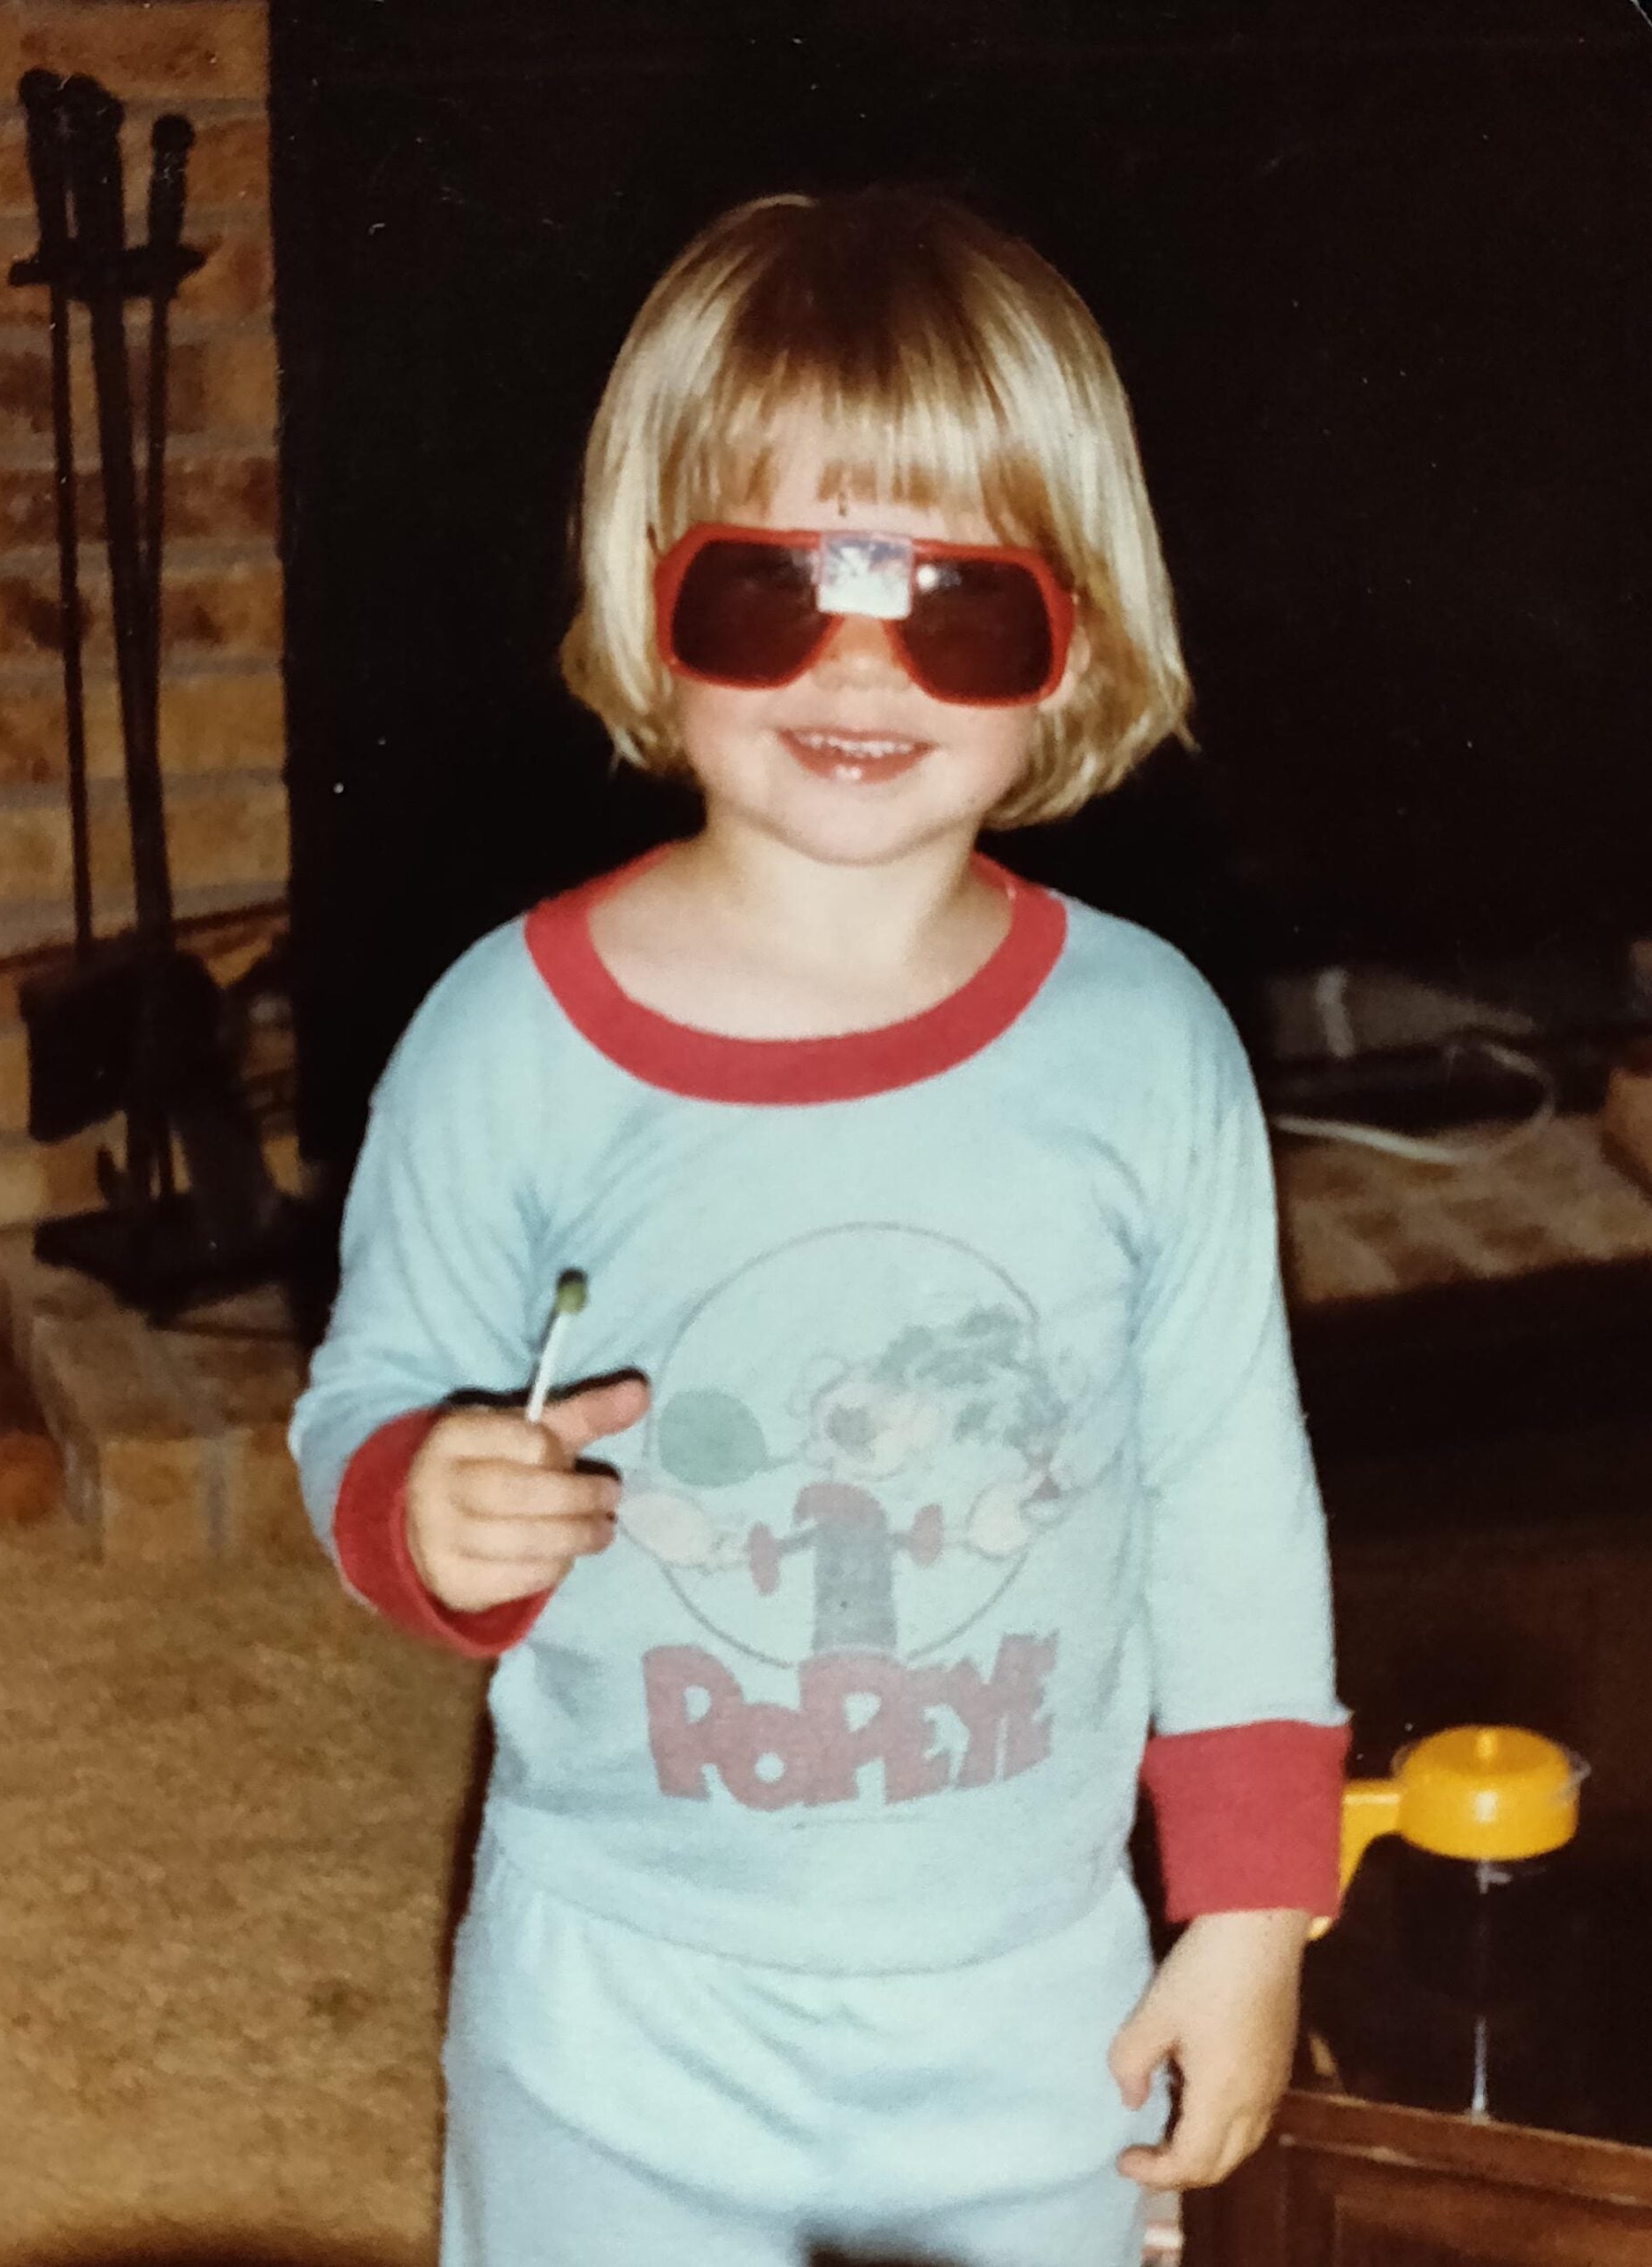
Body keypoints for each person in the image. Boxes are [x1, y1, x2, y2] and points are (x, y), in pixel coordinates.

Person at [289, 186, 1349, 2267]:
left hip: (1034, 1996)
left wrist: (1248, 1911)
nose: (860, 668)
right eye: (775, 590)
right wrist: (426, 1503)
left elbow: (1236, 1498)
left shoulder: (1148, 1047)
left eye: (954, 607)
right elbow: (366, 1399)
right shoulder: (511, 1036)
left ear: (1078, 641)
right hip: (620, 2004)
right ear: (648, 595)